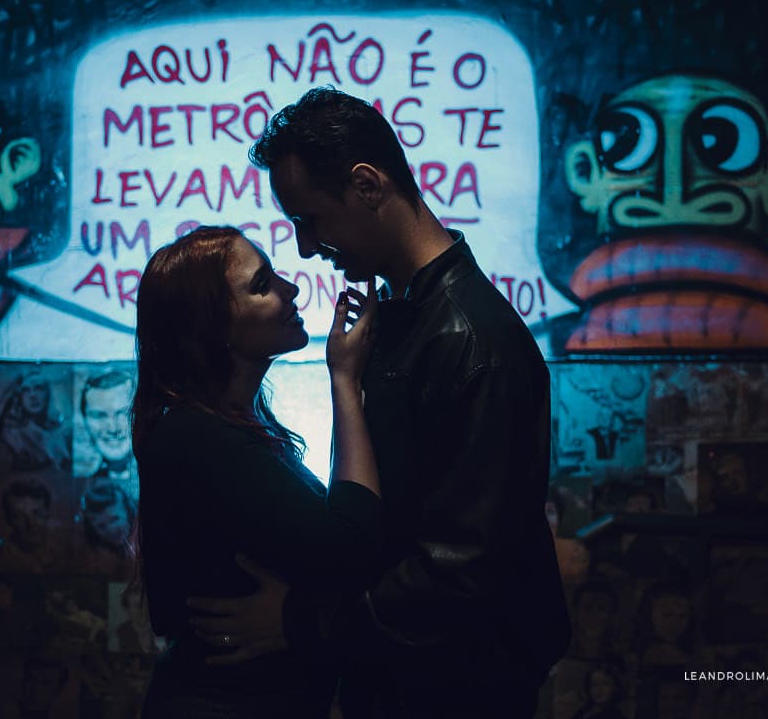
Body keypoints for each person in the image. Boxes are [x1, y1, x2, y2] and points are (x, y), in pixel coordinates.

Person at [187, 87, 569, 718]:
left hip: (455, 693)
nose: (307, 248)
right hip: (405, 680)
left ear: (367, 187)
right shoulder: (405, 318)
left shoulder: (474, 341)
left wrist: (302, 624)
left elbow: (457, 571)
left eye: (309, 219)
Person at [133, 224, 381, 718]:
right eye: (262, 284)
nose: (290, 290)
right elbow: (351, 542)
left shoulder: (231, 424)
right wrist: (345, 381)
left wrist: (294, 620)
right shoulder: (197, 436)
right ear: (213, 328)